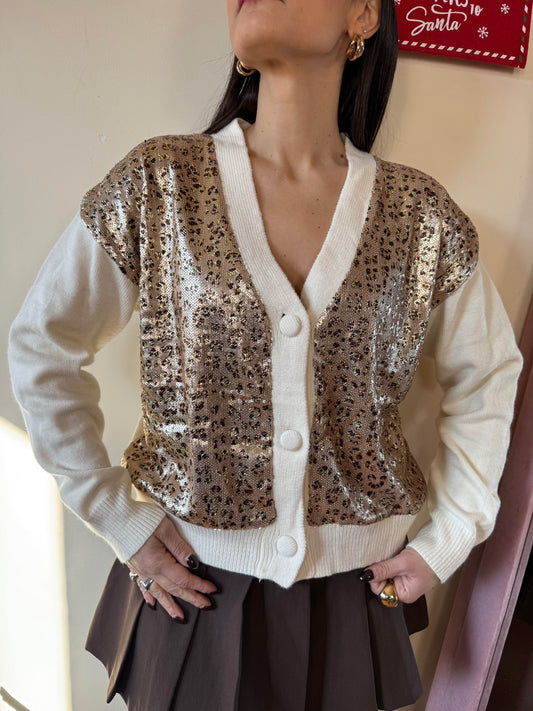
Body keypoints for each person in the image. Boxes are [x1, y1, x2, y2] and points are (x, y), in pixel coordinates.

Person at [8, 0, 523, 709]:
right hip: (192, 592)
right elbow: (42, 342)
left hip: (353, 601)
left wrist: (449, 538)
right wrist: (116, 513)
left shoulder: (420, 216)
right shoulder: (160, 183)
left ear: (363, 15)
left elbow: (488, 374)